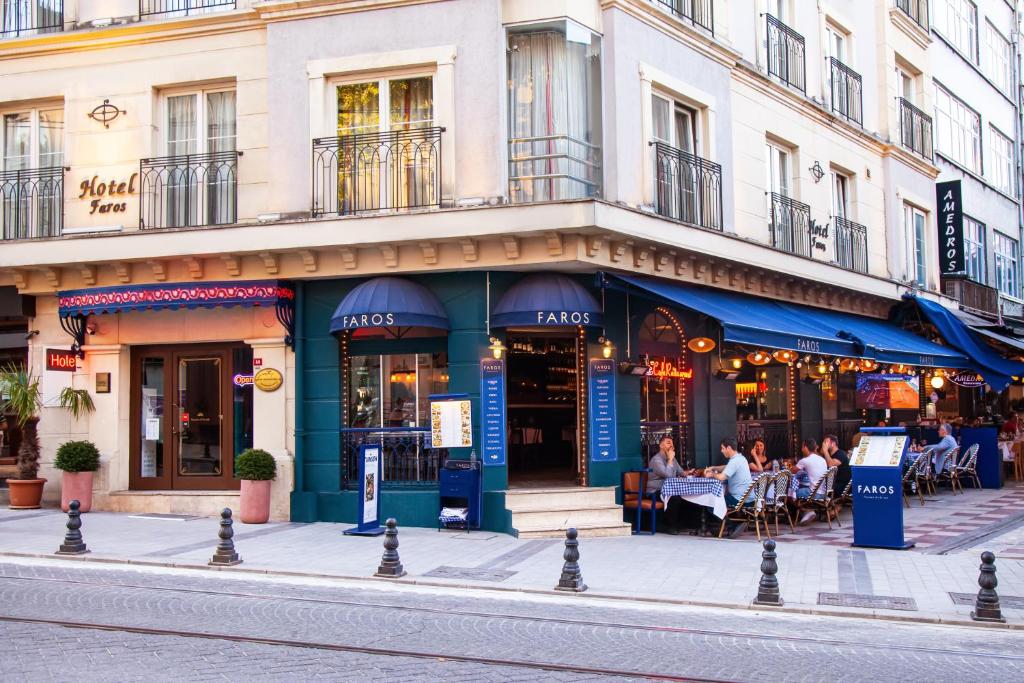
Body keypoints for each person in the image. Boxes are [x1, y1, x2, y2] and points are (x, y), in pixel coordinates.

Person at [706, 437, 754, 538]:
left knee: (711, 503)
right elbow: (726, 467)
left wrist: (711, 474)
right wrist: (714, 467)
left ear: (728, 448)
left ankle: (732, 526)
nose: (721, 451)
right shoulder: (740, 458)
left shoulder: (735, 461)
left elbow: (721, 477)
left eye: (722, 448)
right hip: (749, 497)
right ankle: (721, 528)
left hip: (740, 499)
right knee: (717, 501)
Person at [647, 435, 687, 534]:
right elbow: (668, 475)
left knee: (687, 496)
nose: (671, 445)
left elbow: (681, 472)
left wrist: (691, 472)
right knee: (675, 498)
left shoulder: (673, 459)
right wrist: (670, 460)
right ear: (661, 445)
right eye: (668, 443)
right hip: (655, 491)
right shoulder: (656, 460)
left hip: (669, 490)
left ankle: (681, 524)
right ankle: (669, 526)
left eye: (672, 443)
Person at [793, 439, 827, 525]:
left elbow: (792, 471)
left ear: (805, 447)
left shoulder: (805, 460)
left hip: (813, 493)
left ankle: (805, 511)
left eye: (802, 447)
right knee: (802, 487)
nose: (801, 449)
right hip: (824, 493)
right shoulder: (822, 459)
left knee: (791, 493)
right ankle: (805, 512)